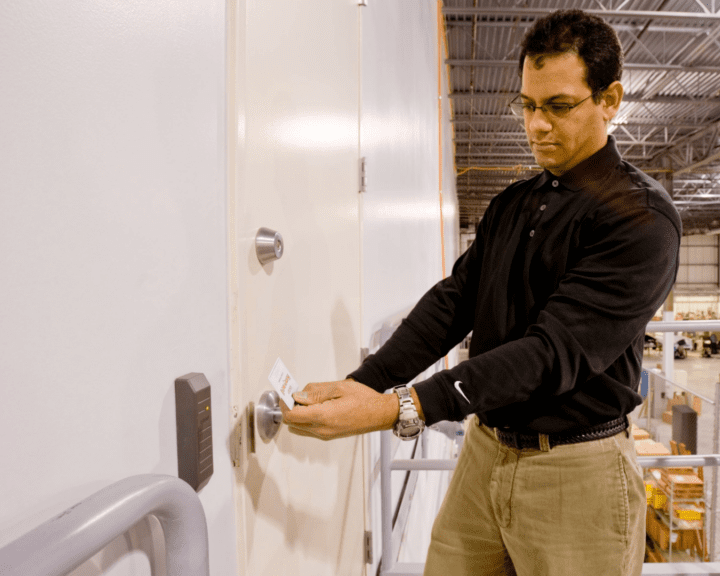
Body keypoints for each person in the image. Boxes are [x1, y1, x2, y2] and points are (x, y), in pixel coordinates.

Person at [283, 9, 681, 576]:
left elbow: (552, 354)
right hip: (486, 451)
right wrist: (362, 384)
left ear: (610, 99)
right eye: (528, 105)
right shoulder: (513, 205)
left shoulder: (639, 219)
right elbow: (454, 303)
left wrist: (403, 407)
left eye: (559, 106)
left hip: (577, 471)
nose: (538, 125)